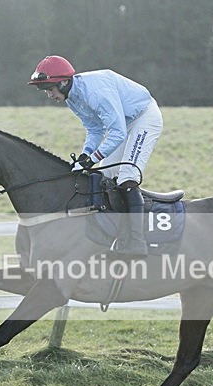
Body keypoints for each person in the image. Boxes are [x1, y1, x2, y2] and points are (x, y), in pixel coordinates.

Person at [28, 55, 163, 256]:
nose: (48, 95)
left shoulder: (95, 93)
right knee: (105, 177)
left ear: (64, 83)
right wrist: (85, 155)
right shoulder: (72, 98)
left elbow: (117, 132)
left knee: (127, 177)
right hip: (124, 123)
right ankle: (115, 236)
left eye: (50, 89)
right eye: (45, 90)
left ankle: (137, 241)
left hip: (144, 117)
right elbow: (94, 129)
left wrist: (93, 159)